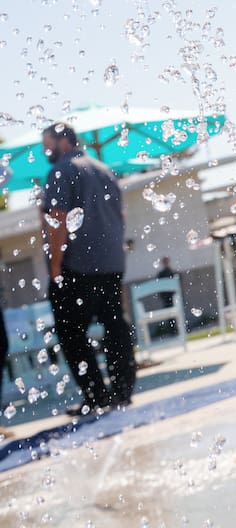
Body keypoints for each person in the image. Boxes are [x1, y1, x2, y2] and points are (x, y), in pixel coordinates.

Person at [40, 122, 137, 416]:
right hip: (111, 264)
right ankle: (122, 392)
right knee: (114, 326)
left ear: (63, 142)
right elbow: (119, 216)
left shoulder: (61, 171)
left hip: (77, 266)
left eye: (47, 144)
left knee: (71, 333)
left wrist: (55, 266)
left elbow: (58, 219)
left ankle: (96, 397)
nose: (45, 151)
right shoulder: (105, 171)